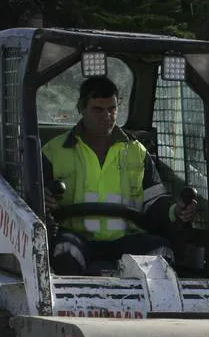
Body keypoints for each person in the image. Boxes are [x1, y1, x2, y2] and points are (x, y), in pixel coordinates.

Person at [42, 75, 197, 274]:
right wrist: (44, 200)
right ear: (81, 108)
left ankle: (157, 306)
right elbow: (35, 201)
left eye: (111, 109)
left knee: (161, 251)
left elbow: (154, 201)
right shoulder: (53, 151)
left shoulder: (137, 151)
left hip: (126, 240)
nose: (106, 116)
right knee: (64, 252)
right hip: (76, 238)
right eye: (98, 109)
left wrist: (176, 210)